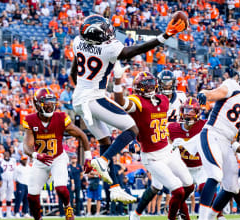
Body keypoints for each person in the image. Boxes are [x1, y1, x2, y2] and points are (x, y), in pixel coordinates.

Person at [70, 15, 186, 205]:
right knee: (132, 128)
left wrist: (82, 88)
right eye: (105, 31)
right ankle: (103, 161)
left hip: (80, 98)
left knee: (106, 141)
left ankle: (115, 189)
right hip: (93, 97)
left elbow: (73, 72)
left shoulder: (78, 42)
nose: (109, 32)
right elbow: (134, 51)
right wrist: (164, 36)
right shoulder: (108, 48)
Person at [114, 70, 194, 220]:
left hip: (168, 150)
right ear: (138, 88)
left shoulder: (163, 100)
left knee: (189, 185)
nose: (149, 88)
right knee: (177, 190)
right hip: (152, 156)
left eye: (151, 84)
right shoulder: (137, 101)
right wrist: (117, 83)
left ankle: (173, 210)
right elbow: (122, 103)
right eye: (145, 85)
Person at [194, 64, 240, 220]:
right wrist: (205, 95)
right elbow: (217, 93)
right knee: (215, 175)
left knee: (232, 187)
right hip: (212, 133)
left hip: (227, 143)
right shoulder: (233, 86)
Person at [23, 88, 92, 220]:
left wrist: (88, 157)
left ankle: (68, 206)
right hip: (40, 162)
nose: (49, 105)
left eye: (51, 101)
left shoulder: (61, 117)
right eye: (45, 102)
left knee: (60, 187)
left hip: (58, 159)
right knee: (32, 195)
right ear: (37, 104)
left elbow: (82, 136)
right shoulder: (31, 120)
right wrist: (36, 155)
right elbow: (26, 146)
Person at [168, 98, 230, 220]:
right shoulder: (172, 128)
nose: (188, 113)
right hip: (183, 167)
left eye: (192, 111)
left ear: (198, 112)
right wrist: (169, 145)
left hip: (201, 166)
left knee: (205, 187)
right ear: (180, 111)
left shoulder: (205, 125)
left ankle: (218, 216)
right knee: (180, 193)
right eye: (186, 110)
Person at [0, 151, 17, 218]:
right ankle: (0, 212)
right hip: (3, 181)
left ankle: (8, 213)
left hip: (11, 181)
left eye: (8, 154)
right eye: (5, 154)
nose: (6, 155)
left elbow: (15, 171)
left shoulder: (13, 161)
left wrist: (15, 179)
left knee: (9, 197)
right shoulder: (0, 161)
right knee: (1, 196)